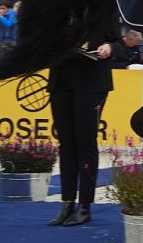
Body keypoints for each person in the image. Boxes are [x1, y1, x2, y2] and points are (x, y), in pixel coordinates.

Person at [47, 24, 124, 226]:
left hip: (92, 80)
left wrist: (109, 47)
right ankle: (67, 202)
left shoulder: (102, 11)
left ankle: (85, 205)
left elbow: (119, 43)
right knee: (66, 144)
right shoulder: (57, 11)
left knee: (86, 142)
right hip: (61, 78)